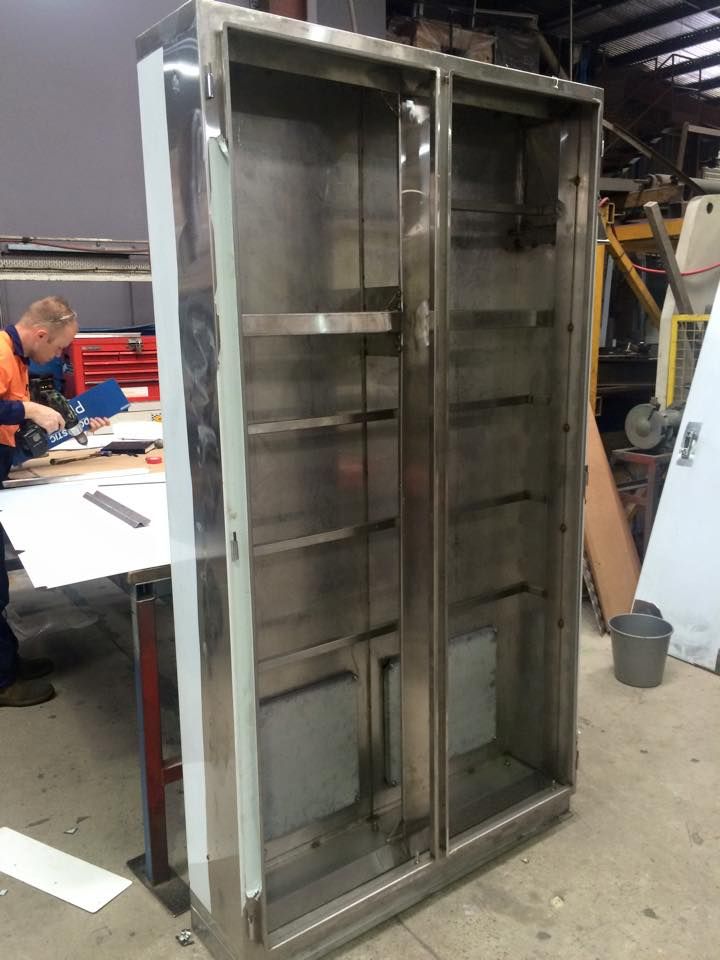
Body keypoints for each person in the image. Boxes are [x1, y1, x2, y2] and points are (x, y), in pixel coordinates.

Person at [0, 297, 106, 707]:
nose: (59, 356)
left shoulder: (18, 358)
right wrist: (26, 408)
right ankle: (4, 682)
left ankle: (7, 665)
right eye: (60, 347)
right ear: (41, 334)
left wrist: (71, 419)